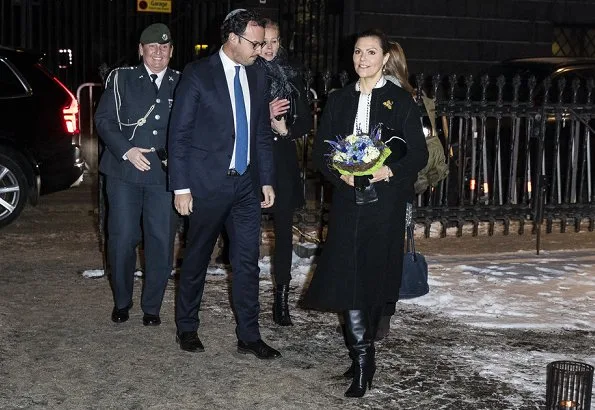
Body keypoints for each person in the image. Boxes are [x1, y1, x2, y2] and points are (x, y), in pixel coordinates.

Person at [301, 29, 428, 397]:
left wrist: (389, 170)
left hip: (384, 203)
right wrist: (337, 171)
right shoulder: (339, 98)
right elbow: (321, 150)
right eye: (358, 52)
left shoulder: (401, 100)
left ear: (385, 58)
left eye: (371, 52)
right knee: (350, 276)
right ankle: (362, 360)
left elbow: (417, 153)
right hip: (346, 201)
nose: (362, 59)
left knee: (374, 277)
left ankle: (364, 351)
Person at [167, 9, 281, 360]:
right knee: (198, 257)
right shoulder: (199, 74)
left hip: (246, 186)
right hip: (206, 185)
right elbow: (179, 134)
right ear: (232, 38)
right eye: (255, 42)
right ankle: (187, 327)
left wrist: (266, 179)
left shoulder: (258, 76)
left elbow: (261, 131)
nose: (260, 49)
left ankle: (249, 335)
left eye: (263, 42)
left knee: (248, 262)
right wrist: (181, 186)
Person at [94, 23, 180, 326]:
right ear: (141, 49)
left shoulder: (180, 83)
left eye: (164, 47)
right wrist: (127, 150)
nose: (159, 52)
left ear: (171, 51)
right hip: (124, 172)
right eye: (152, 46)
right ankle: (122, 301)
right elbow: (103, 120)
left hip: (163, 175)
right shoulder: (121, 79)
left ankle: (152, 307)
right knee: (122, 238)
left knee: (160, 240)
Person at [371, 41, 448, 339]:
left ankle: (375, 312)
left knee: (376, 249)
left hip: (383, 179)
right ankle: (384, 316)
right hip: (403, 181)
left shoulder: (385, 94)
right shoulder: (413, 95)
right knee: (392, 250)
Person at [257, 18, 313, 326]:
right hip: (252, 160)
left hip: (282, 160)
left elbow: (305, 121)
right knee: (244, 228)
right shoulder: (246, 72)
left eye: (275, 41)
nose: (269, 47)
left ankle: (281, 300)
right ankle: (245, 293)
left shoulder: (291, 76)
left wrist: (285, 129)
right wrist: (263, 117)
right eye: (264, 40)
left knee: (284, 231)